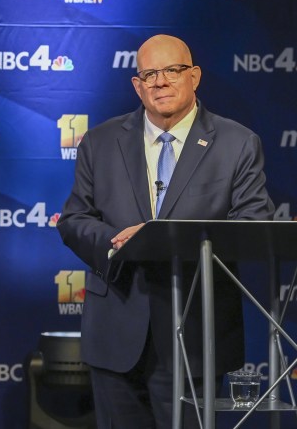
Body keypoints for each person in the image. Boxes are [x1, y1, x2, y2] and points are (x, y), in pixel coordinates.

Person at [57, 34, 274, 428]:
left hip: (196, 335)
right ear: (138, 86)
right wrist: (118, 242)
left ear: (194, 76)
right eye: (150, 74)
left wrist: (162, 236)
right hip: (116, 331)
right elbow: (74, 219)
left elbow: (253, 226)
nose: (161, 82)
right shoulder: (101, 142)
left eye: (172, 71)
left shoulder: (237, 143)